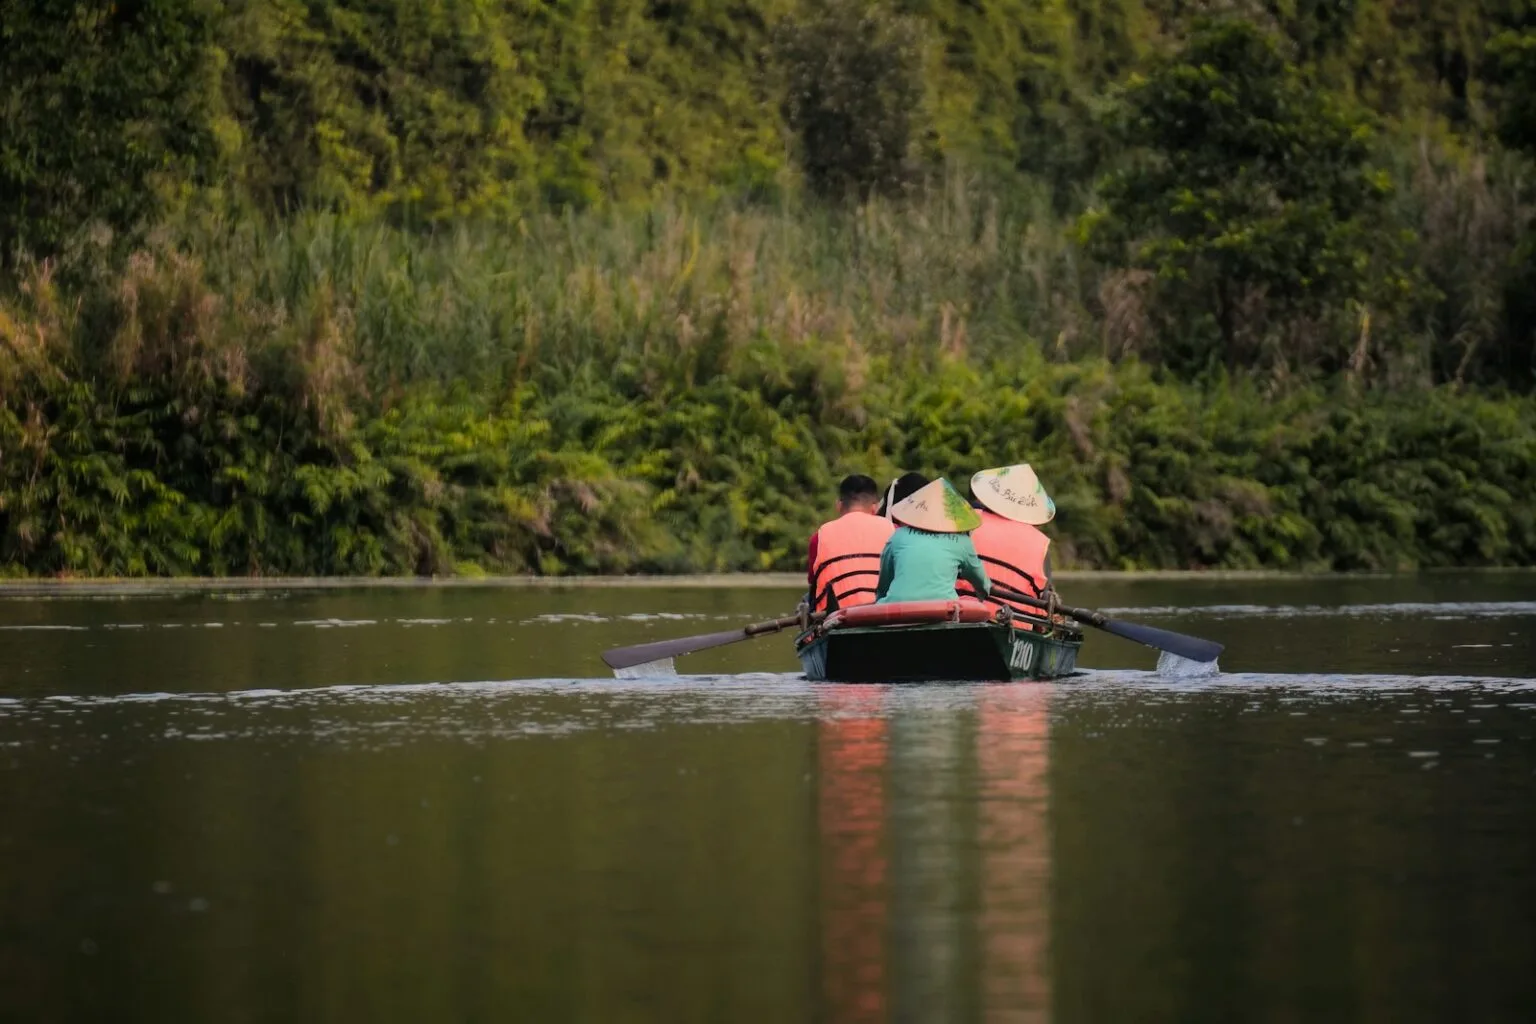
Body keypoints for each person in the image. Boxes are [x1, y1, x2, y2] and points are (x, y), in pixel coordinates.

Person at [958, 464, 1055, 618]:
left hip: (960, 616)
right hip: (1015, 626)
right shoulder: (1040, 542)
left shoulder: (964, 520)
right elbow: (1046, 604)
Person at [874, 478, 991, 604]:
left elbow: (884, 584)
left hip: (896, 607)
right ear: (950, 515)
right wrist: (984, 591)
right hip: (944, 610)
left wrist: (880, 600)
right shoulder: (962, 541)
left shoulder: (899, 535)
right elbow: (982, 583)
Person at [807, 474, 896, 612]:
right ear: (876, 507)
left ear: (839, 505)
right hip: (882, 615)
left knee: (807, 598)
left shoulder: (819, 537)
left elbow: (813, 583)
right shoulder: (893, 531)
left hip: (836, 620)